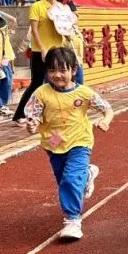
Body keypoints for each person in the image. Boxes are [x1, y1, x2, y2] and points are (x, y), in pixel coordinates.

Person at [24, 46, 114, 241]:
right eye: (52, 70)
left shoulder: (84, 93)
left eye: (63, 70)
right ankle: (88, 174)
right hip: (54, 141)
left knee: (71, 179)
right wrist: (31, 126)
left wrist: (105, 120)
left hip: (80, 140)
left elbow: (106, 108)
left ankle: (72, 220)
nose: (57, 75)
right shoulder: (41, 93)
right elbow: (34, 117)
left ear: (74, 70)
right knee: (64, 181)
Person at [13, 0, 73, 123]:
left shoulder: (62, 8)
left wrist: (69, 36)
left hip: (58, 50)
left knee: (57, 82)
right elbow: (34, 30)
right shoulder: (37, 6)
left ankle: (52, 113)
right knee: (37, 83)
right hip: (40, 51)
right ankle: (20, 114)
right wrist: (42, 48)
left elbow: (64, 28)